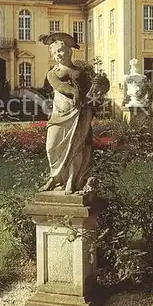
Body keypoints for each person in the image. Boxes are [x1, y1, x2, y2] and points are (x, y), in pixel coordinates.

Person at [38, 32, 107, 195]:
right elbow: (61, 87)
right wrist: (74, 92)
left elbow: (91, 94)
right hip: (60, 114)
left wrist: (101, 87)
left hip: (80, 114)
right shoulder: (52, 73)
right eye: (55, 53)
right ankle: (55, 176)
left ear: (69, 51)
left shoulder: (80, 72)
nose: (58, 55)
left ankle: (71, 180)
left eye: (61, 51)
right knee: (51, 147)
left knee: (75, 147)